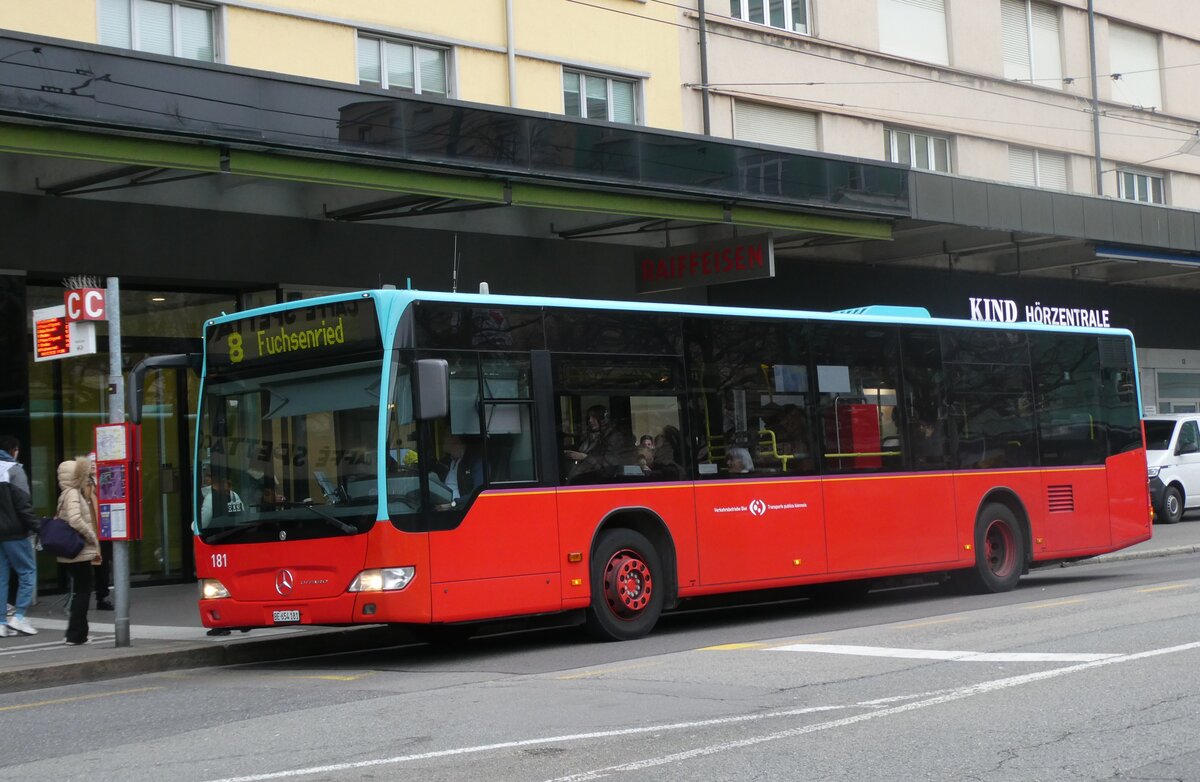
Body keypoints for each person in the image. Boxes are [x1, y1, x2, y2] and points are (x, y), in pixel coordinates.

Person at [56, 455, 102, 646]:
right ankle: (75, 635)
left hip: (70, 551)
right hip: (79, 550)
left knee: (81, 591)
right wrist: (91, 535)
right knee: (83, 592)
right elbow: (75, 519)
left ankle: (79, 633)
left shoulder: (65, 493)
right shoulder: (73, 493)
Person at [0, 435, 40, 636]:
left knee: (1, 577)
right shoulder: (15, 470)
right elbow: (24, 506)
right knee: (28, 572)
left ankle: (0, 623)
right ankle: (20, 617)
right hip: (15, 532)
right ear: (14, 450)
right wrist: (38, 527)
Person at [564, 405, 632, 482]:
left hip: (602, 482)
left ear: (602, 419)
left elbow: (611, 463)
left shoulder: (614, 437)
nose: (590, 420)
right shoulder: (588, 437)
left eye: (594, 417)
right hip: (584, 480)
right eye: (589, 418)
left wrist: (585, 457)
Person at [435, 431, 483, 502]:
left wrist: (454, 504)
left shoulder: (474, 461)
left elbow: (479, 493)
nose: (442, 439)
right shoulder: (445, 462)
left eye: (445, 436)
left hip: (460, 509)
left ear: (455, 438)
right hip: (442, 504)